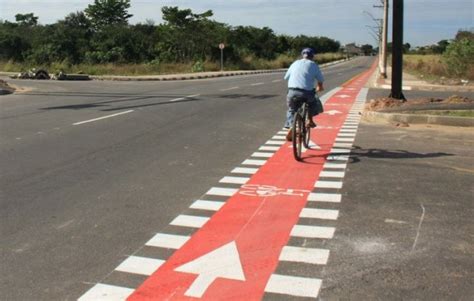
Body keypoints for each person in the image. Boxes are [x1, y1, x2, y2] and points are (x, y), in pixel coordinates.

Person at [283, 47, 325, 141]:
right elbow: (320, 80)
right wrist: (320, 86)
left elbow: (286, 77)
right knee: (312, 102)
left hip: (292, 91)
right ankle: (309, 120)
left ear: (302, 55)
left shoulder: (295, 63)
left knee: (292, 109)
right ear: (312, 56)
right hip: (307, 92)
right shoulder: (313, 65)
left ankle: (291, 127)